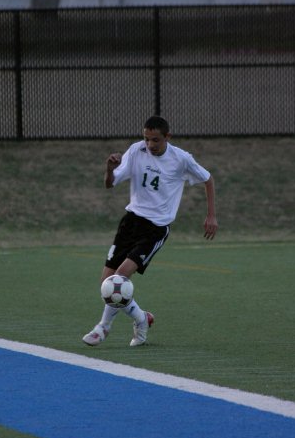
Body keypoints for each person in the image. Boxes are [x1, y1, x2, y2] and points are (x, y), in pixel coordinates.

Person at [82, 115, 218, 348]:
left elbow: (208, 179)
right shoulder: (136, 151)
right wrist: (109, 168)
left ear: (167, 137)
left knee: (121, 276)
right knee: (106, 284)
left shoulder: (181, 159)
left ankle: (102, 328)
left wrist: (211, 215)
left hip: (155, 228)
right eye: (146, 139)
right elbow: (110, 183)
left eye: (155, 140)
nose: (150, 145)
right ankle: (141, 318)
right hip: (131, 222)